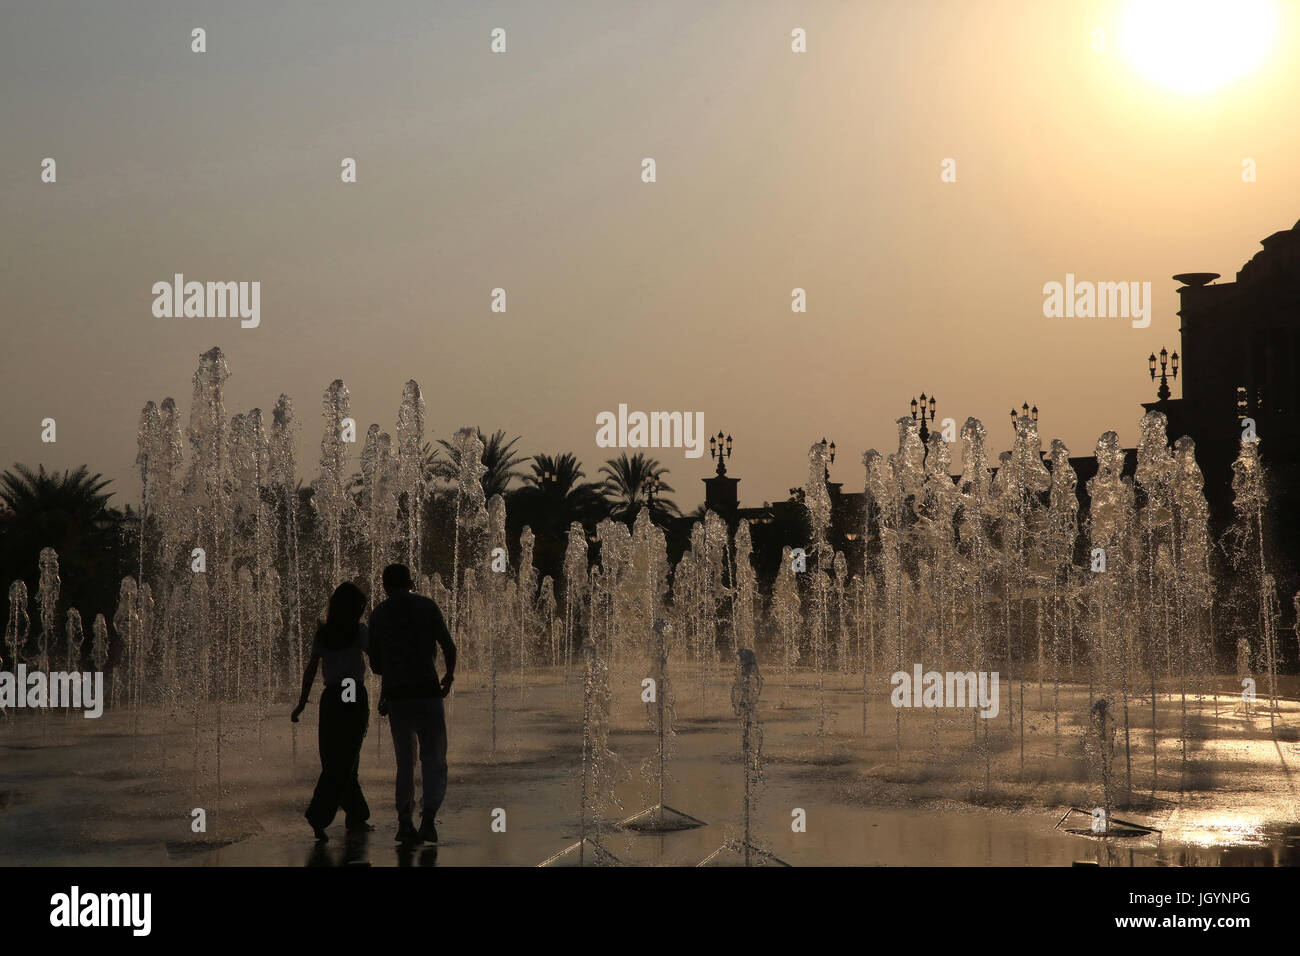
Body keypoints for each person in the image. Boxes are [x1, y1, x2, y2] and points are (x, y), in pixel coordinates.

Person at [368, 563, 456, 845]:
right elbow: (449, 647)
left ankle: (404, 822)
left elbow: (377, 663)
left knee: (404, 762)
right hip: (427, 692)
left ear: (384, 585)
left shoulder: (379, 614)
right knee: (433, 758)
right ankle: (428, 819)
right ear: (411, 582)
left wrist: (388, 686)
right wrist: (449, 676)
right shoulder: (427, 607)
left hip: (398, 698)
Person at [292, 581, 373, 842]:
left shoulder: (324, 634)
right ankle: (319, 815)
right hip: (351, 693)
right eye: (360, 606)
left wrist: (303, 701)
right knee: (344, 759)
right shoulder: (359, 632)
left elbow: (311, 669)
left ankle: (357, 815)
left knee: (338, 758)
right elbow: (377, 658)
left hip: (332, 697)